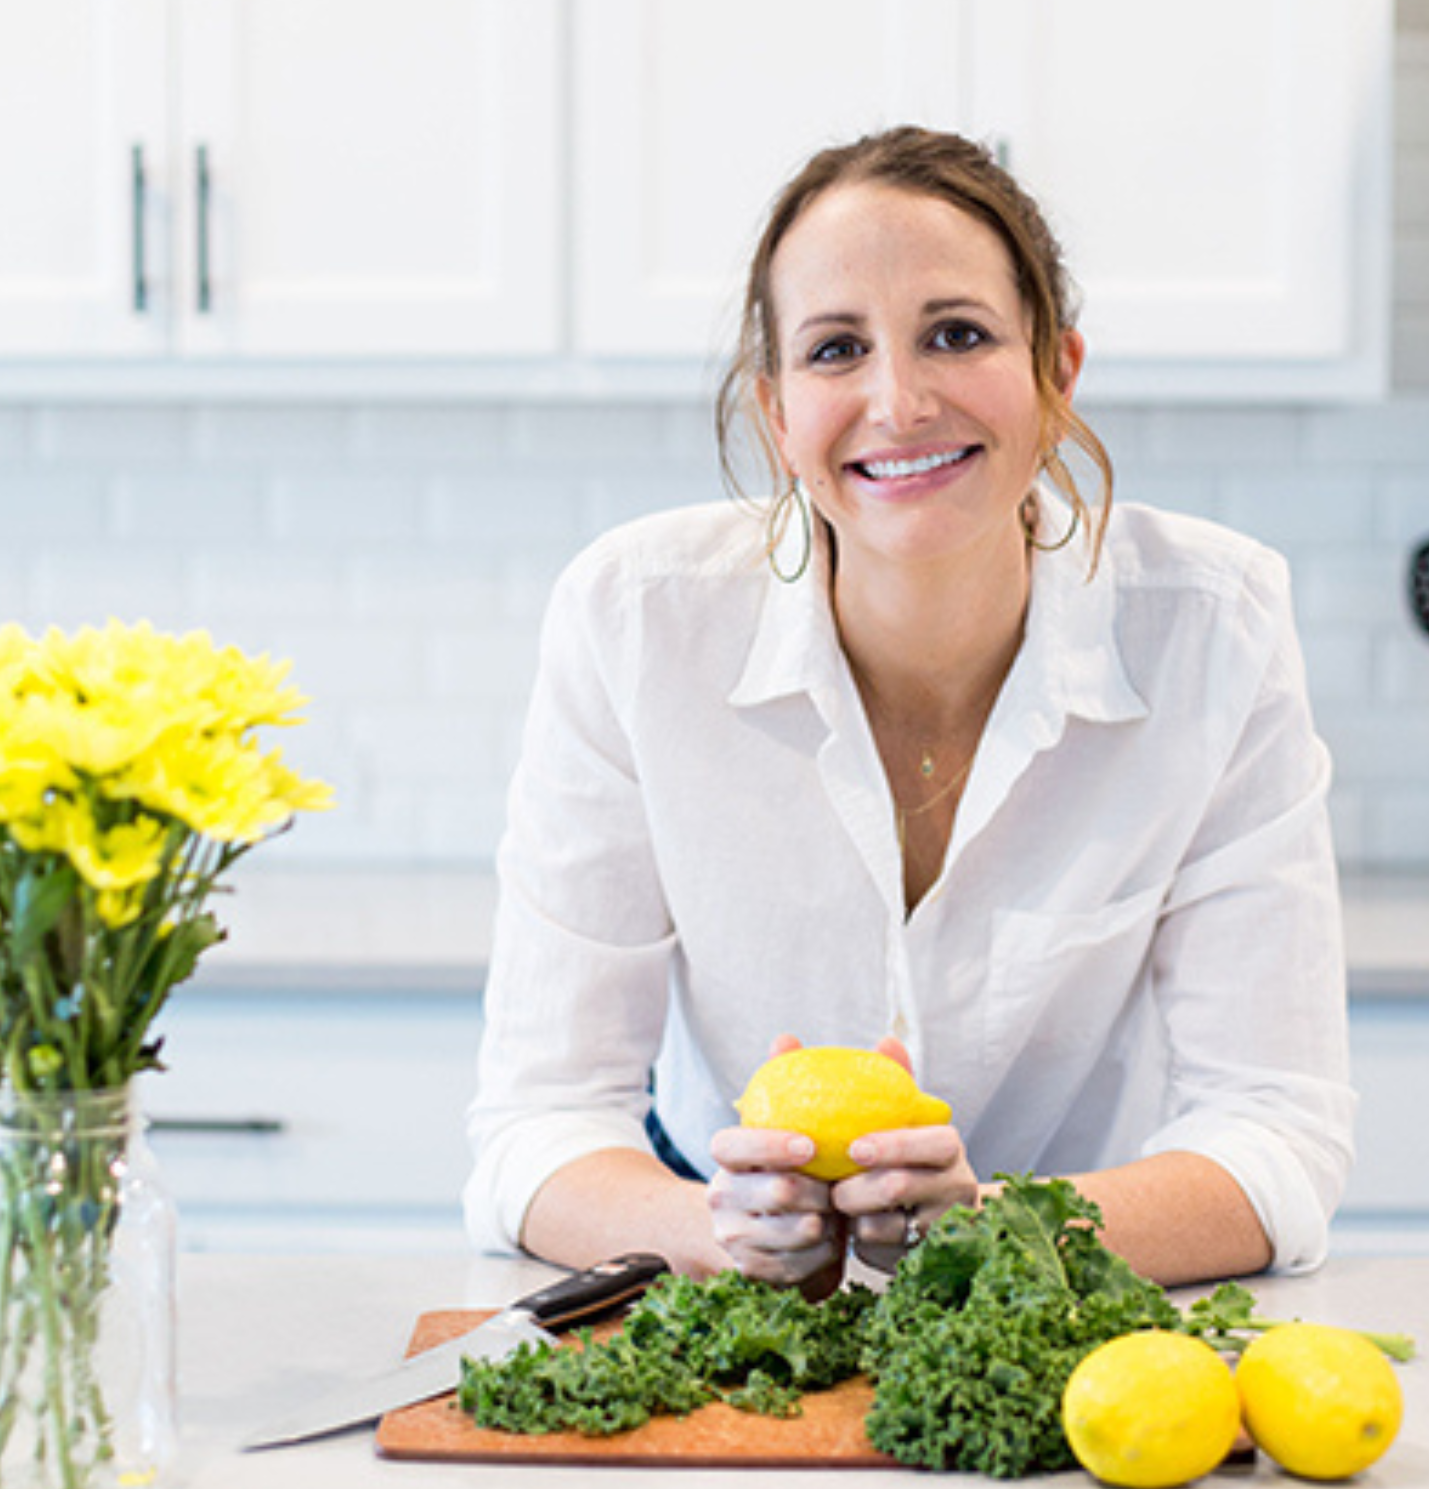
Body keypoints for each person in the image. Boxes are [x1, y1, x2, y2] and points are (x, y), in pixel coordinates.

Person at [465, 127, 1352, 1292]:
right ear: (778, 414)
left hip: (1076, 1275)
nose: (899, 399)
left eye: (957, 333)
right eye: (837, 349)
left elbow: (1276, 1138)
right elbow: (536, 1128)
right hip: (716, 1275)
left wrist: (991, 1226)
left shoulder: (1213, 626)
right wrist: (725, 1230)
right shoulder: (635, 621)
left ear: (1056, 372)